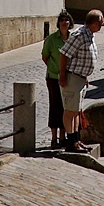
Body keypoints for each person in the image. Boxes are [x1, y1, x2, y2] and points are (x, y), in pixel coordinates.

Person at [58, 8, 104, 153]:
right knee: (70, 111)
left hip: (80, 78)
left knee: (77, 111)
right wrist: (63, 76)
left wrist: (85, 77)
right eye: (102, 21)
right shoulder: (80, 35)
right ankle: (71, 142)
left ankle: (77, 141)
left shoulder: (89, 35)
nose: (103, 23)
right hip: (72, 77)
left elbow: (83, 58)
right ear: (95, 22)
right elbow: (64, 55)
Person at [41, 10, 74, 150]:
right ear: (58, 23)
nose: (64, 22)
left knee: (66, 108)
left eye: (67, 20)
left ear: (70, 23)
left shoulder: (73, 39)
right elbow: (45, 56)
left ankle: (62, 137)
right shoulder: (52, 39)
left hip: (69, 78)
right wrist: (55, 69)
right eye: (62, 20)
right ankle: (54, 138)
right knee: (55, 107)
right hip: (54, 78)